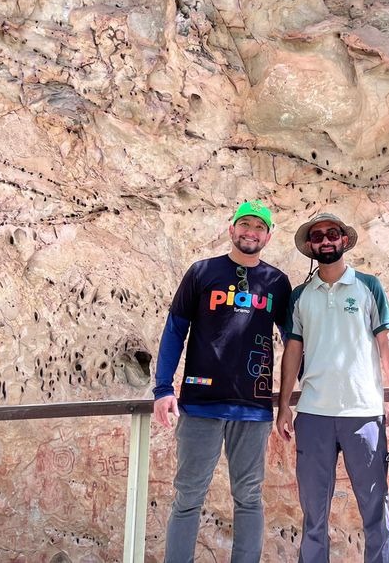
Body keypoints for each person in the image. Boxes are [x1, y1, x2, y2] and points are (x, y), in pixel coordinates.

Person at [153, 200, 292, 563]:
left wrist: (294, 398)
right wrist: (163, 388)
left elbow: (295, 341)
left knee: (248, 497)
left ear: (269, 235)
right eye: (244, 225)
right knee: (187, 497)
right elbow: (174, 331)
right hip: (200, 403)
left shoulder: (277, 282)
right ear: (231, 229)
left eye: (259, 227)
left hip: (254, 407)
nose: (251, 232)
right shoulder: (202, 273)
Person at [276, 212, 389, 563]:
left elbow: (387, 341)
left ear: (344, 240)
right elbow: (293, 350)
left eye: (332, 234)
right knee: (313, 515)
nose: (325, 241)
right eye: (317, 236)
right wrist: (284, 404)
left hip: (363, 414)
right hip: (314, 415)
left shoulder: (369, 286)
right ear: (310, 247)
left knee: (375, 512)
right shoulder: (301, 295)